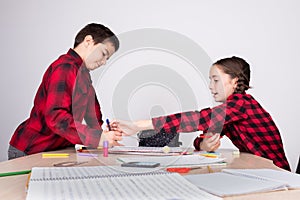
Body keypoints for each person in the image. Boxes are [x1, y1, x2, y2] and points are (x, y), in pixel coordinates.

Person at [111, 56, 291, 171]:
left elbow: (198, 119)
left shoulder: (241, 104)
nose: (211, 86)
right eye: (210, 80)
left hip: (279, 176)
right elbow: (202, 137)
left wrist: (139, 125)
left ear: (235, 83)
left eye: (216, 80)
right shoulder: (230, 113)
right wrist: (204, 145)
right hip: (261, 172)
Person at [8, 23, 122, 159]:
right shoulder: (65, 68)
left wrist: (106, 134)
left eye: (107, 59)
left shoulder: (83, 75)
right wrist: (98, 138)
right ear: (88, 41)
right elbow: (56, 118)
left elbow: (93, 116)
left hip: (55, 150)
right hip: (32, 149)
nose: (103, 62)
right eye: (103, 54)